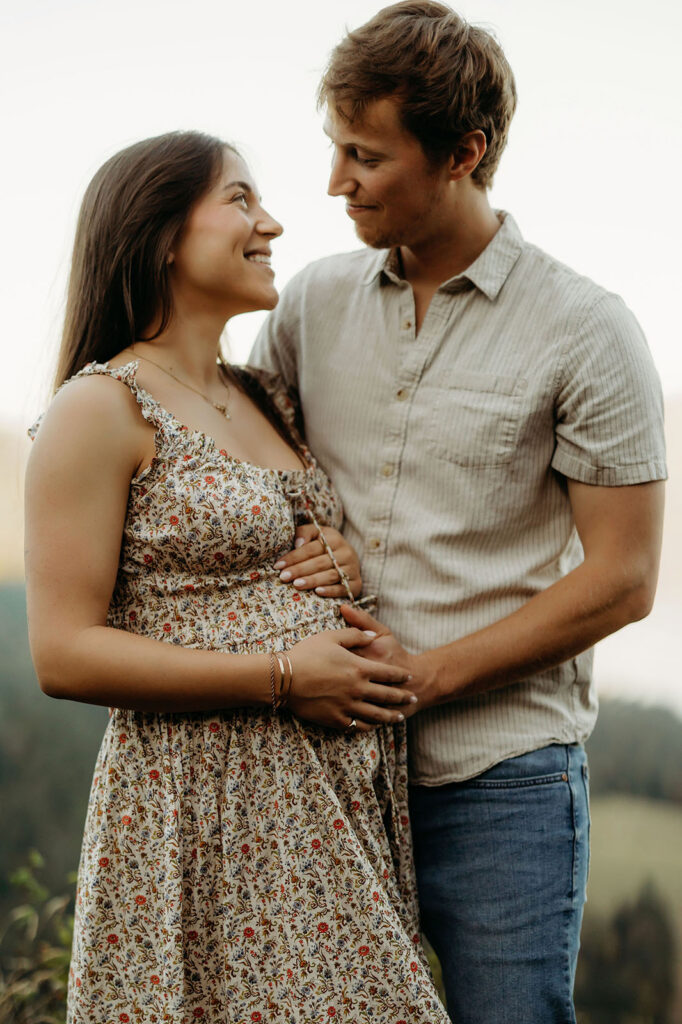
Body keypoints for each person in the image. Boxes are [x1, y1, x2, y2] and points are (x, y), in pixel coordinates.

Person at [250, 3, 668, 1021]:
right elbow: (257, 476)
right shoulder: (309, 302)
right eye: (335, 147)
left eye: (365, 155)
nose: (335, 181)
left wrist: (422, 677)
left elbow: (623, 578)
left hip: (503, 781)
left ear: (462, 153)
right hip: (327, 770)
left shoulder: (587, 330)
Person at [24, 130, 451, 1024]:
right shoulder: (99, 407)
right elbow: (63, 654)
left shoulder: (265, 395)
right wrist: (286, 676)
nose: (274, 223)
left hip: (328, 810)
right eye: (242, 200)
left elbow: (291, 544)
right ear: (163, 233)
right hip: (201, 809)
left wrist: (345, 557)